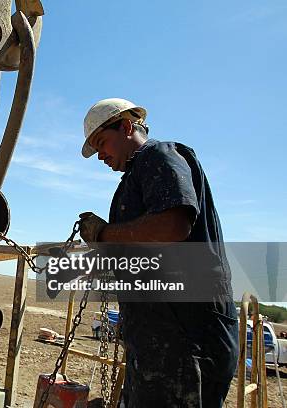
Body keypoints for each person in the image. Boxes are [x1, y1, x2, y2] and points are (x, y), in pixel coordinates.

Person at [78, 98, 239, 407]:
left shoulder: (159, 155)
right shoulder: (134, 180)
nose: (100, 156)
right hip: (161, 342)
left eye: (102, 143)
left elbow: (172, 226)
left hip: (187, 340)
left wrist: (104, 233)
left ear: (126, 127)